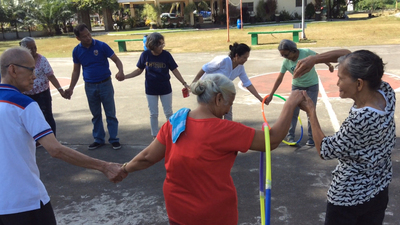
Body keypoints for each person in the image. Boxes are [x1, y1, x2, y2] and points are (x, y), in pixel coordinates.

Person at [119, 73, 305, 225]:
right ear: (218, 99)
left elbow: (147, 157)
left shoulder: (176, 121)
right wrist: (290, 104)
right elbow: (271, 141)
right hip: (213, 215)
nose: (228, 110)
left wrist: (124, 168)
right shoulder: (225, 130)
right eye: (229, 104)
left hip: (178, 211)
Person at [0, 47, 127, 225]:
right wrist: (104, 166)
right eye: (31, 69)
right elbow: (55, 149)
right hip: (25, 201)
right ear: (13, 69)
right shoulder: (24, 104)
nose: (35, 76)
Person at [299, 50, 395, 225]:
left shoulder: (362, 119)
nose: (337, 83)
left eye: (341, 78)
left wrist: (311, 112)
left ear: (359, 84)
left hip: (350, 197)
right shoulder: (385, 91)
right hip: (379, 187)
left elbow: (325, 150)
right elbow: (350, 55)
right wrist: (314, 59)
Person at [64, 23, 124, 150]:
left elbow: (116, 60)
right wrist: (71, 88)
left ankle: (114, 139)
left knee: (110, 113)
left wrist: (120, 71)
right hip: (90, 86)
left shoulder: (101, 46)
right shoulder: (77, 51)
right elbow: (76, 71)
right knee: (95, 114)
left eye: (89, 34)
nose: (88, 38)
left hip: (105, 84)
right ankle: (98, 139)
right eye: (84, 36)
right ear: (78, 38)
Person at [118, 32, 189, 139]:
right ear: (152, 45)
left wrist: (184, 83)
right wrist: (125, 76)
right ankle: (155, 136)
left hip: (165, 88)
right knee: (153, 113)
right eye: (160, 44)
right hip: (151, 89)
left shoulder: (166, 55)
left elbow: (174, 70)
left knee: (168, 112)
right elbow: (139, 70)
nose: (162, 46)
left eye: (163, 44)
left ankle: (171, 133)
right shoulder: (145, 55)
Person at [265, 39, 334, 146]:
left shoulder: (305, 52)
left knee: (310, 111)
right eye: (282, 55)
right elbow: (279, 78)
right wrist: (271, 94)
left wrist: (329, 64)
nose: (284, 57)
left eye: (286, 54)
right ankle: (290, 136)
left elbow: (318, 57)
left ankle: (311, 138)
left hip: (312, 86)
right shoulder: (286, 62)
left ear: (293, 50)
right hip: (296, 87)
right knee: (292, 112)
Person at [191, 42, 264, 121]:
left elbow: (247, 83)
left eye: (247, 58)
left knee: (227, 109)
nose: (246, 60)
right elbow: (205, 68)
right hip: (208, 89)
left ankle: (228, 128)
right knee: (213, 112)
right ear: (236, 55)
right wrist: (194, 82)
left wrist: (260, 99)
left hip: (222, 90)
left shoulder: (240, 67)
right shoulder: (223, 60)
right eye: (244, 57)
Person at [20, 37, 65, 138]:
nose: (33, 50)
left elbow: (51, 76)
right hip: (27, 95)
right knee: (30, 118)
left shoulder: (42, 60)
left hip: (42, 93)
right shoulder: (20, 62)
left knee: (47, 116)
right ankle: (35, 139)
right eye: (30, 48)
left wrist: (60, 90)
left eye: (34, 47)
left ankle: (52, 139)